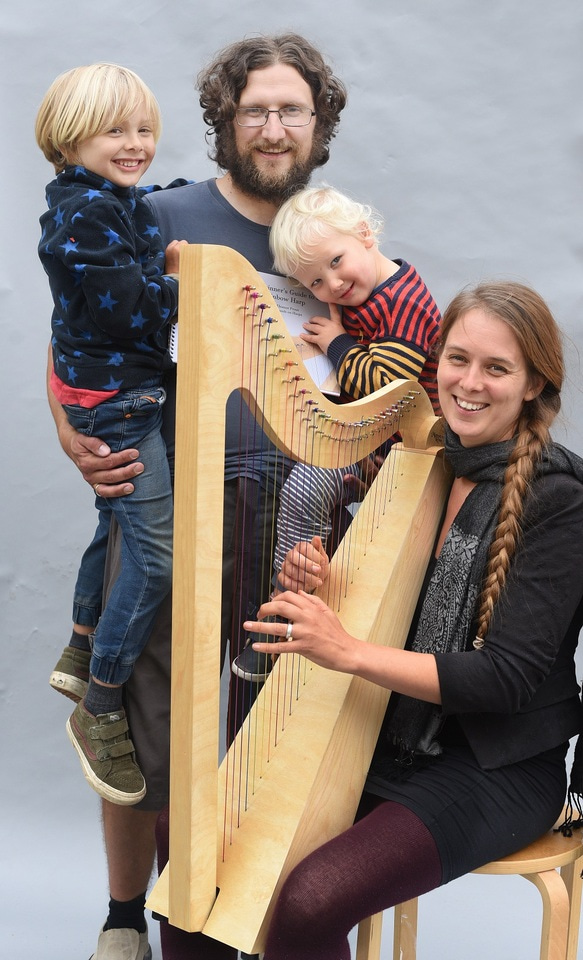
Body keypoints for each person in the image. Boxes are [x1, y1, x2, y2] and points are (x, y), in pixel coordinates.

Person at [45, 35, 347, 960]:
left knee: (258, 720)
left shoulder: (331, 236)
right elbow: (73, 335)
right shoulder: (155, 209)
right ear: (223, 117)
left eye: (290, 108)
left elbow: (365, 372)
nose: (271, 126)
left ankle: (240, 910)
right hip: (179, 492)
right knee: (149, 723)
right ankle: (126, 917)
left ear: (317, 121)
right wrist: (72, 437)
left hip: (287, 511)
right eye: (254, 108)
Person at [243, 280, 583, 960]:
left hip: (496, 764)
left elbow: (502, 679)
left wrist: (342, 651)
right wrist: (323, 583)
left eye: (496, 368)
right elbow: (396, 607)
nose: (469, 383)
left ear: (533, 384)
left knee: (310, 899)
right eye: (457, 359)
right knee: (189, 838)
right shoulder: (422, 462)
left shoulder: (560, 499)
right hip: (389, 737)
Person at [36, 62, 188, 806]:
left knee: (114, 519)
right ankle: (99, 702)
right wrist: (183, 283)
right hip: (118, 398)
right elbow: (125, 306)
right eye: (115, 131)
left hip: (112, 390)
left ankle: (78, 639)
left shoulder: (104, 200)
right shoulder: (83, 216)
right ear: (70, 140)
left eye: (145, 129)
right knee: (155, 558)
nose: (136, 144)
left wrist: (166, 199)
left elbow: (137, 208)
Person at [232, 184, 441, 682]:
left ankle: (287, 614)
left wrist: (337, 343)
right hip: (369, 447)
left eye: (336, 261)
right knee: (302, 496)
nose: (331, 284)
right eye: (315, 282)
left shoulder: (406, 300)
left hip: (410, 456)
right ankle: (292, 608)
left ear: (366, 233)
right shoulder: (359, 296)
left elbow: (384, 387)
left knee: (305, 489)